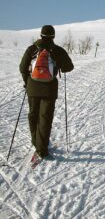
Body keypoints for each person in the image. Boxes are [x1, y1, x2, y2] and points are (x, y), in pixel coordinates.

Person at [19, 25, 74, 159]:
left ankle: (35, 141)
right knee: (45, 118)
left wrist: (27, 82)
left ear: (41, 35)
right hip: (49, 89)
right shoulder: (57, 50)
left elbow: (22, 68)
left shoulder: (32, 49)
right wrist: (59, 66)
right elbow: (69, 67)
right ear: (53, 36)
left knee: (33, 114)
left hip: (32, 87)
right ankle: (42, 149)